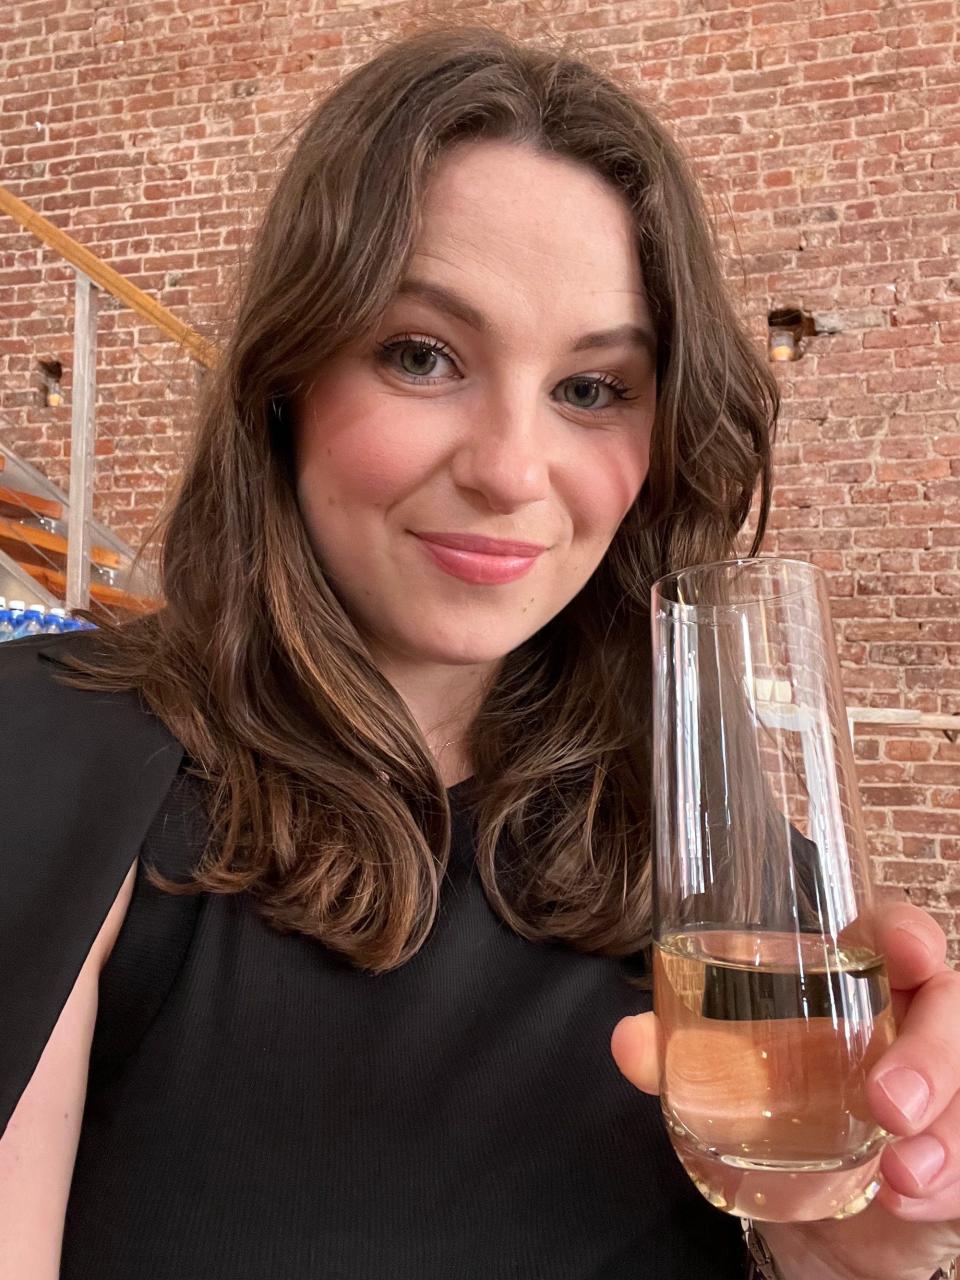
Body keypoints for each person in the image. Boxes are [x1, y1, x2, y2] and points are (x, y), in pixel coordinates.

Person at [1, 22, 958, 1280]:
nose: (511, 470)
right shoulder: (51, 761)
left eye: (593, 388)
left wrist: (845, 1264)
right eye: (421, 355)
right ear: (288, 379)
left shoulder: (725, 881)